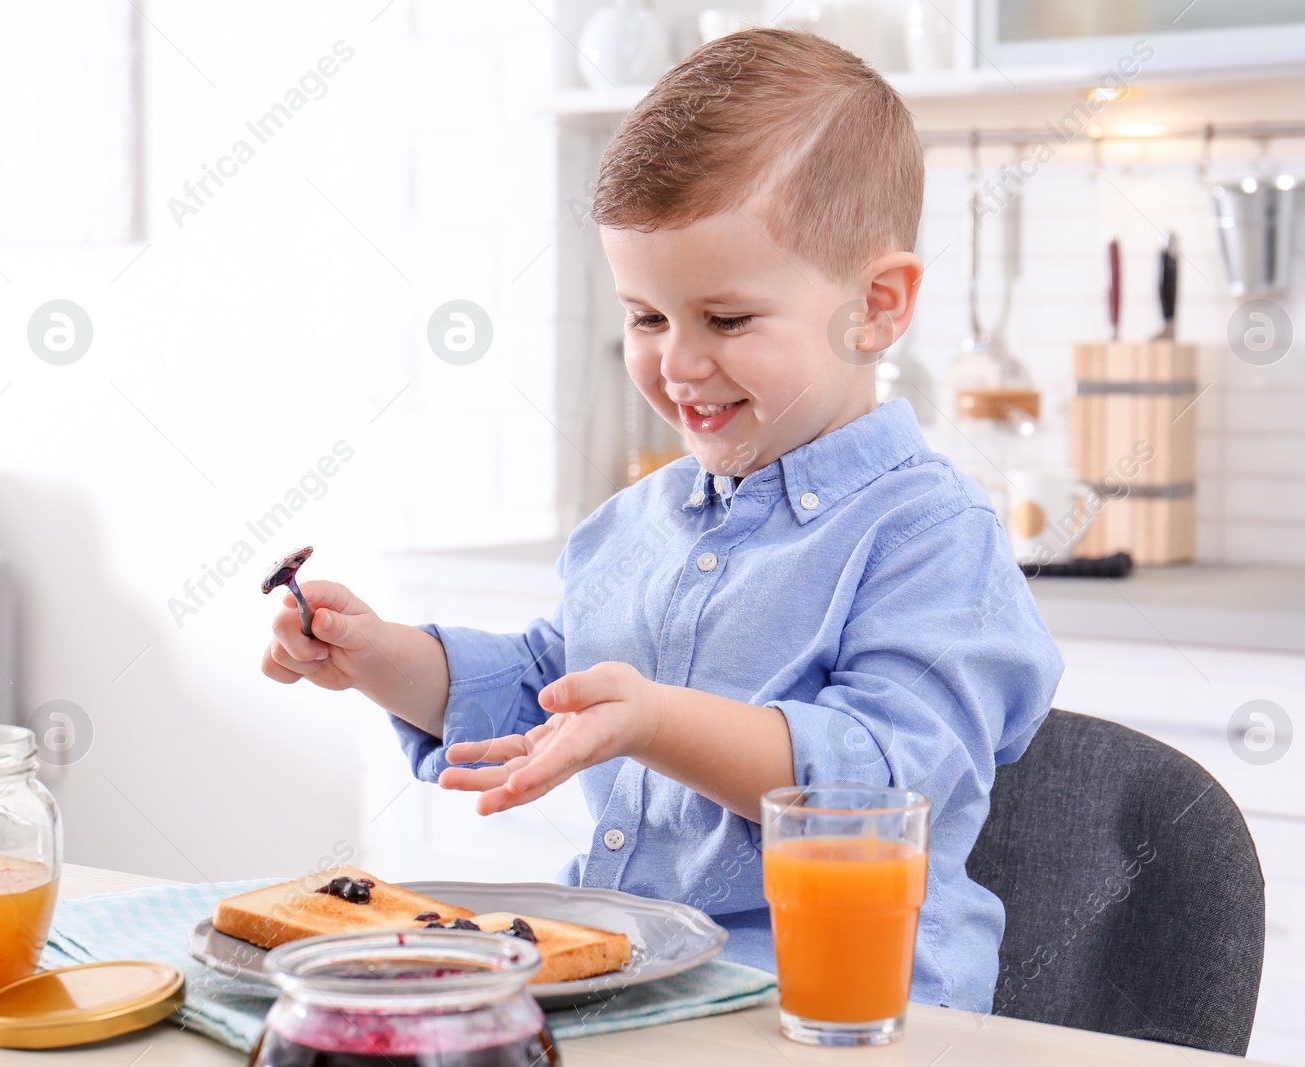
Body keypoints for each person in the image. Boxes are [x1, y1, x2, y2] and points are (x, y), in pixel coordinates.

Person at [262, 27, 1063, 1011]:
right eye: (645, 316)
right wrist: (380, 654)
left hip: (840, 1009)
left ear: (876, 306)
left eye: (725, 320)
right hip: (639, 987)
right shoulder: (631, 526)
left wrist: (653, 719)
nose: (676, 363)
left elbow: (886, 781)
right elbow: (549, 699)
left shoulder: (930, 535)